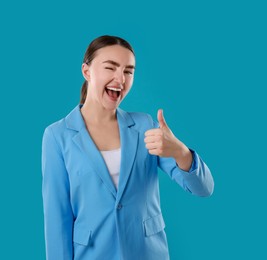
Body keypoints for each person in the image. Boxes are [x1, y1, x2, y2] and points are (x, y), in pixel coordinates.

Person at [41, 35, 214, 260]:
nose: (120, 78)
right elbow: (57, 220)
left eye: (128, 71)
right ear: (87, 71)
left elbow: (204, 188)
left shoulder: (145, 127)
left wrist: (179, 151)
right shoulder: (57, 136)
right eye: (110, 68)